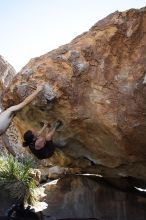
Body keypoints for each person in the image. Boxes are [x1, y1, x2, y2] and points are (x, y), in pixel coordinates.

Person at [23, 121, 91, 168]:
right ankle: (56, 126)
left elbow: (37, 134)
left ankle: (48, 129)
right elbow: (44, 138)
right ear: (33, 138)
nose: (34, 131)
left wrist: (45, 126)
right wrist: (46, 129)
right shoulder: (38, 142)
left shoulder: (31, 140)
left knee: (44, 135)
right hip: (48, 152)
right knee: (48, 137)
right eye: (33, 132)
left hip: (41, 150)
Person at [0, 84, 44, 156]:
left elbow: (8, 146)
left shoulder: (2, 131)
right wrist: (38, 90)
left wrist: (15, 156)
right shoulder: (9, 110)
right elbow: (25, 102)